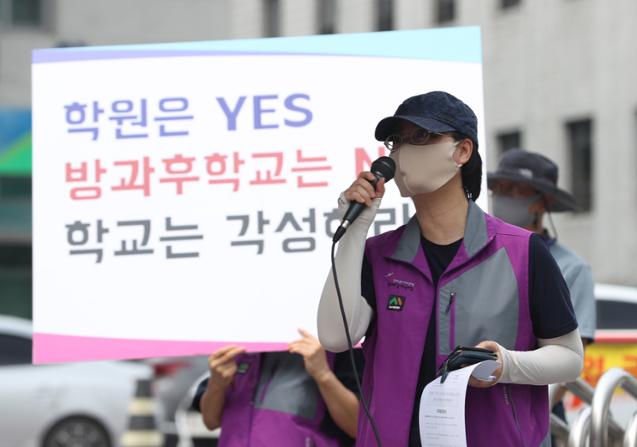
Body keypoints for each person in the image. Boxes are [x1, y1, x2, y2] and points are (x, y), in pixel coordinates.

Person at [317, 91, 584, 446]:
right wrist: (354, 232)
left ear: (462, 151)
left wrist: (506, 365)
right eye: (396, 141)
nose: (401, 152)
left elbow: (568, 358)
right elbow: (336, 337)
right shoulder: (378, 255)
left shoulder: (522, 251)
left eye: (421, 137)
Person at [488, 148, 597, 439]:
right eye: (498, 189)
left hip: (532, 414)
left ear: (542, 202)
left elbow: (570, 358)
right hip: (479, 403)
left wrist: (529, 423)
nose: (503, 197)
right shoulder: (479, 254)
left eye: (515, 190)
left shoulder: (572, 268)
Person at [191, 328, 363, 446]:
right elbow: (211, 421)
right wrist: (217, 384)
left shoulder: (338, 343)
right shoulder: (240, 341)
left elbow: (357, 426)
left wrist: (323, 375)